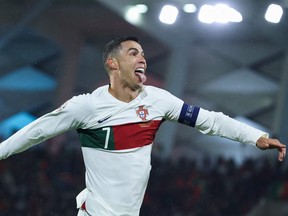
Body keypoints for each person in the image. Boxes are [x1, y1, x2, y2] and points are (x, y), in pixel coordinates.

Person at [0, 36, 286, 216]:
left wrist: (255, 136)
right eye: (133, 53)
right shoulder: (86, 106)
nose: (143, 59)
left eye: (143, 55)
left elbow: (208, 120)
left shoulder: (159, 101)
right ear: (113, 64)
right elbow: (37, 130)